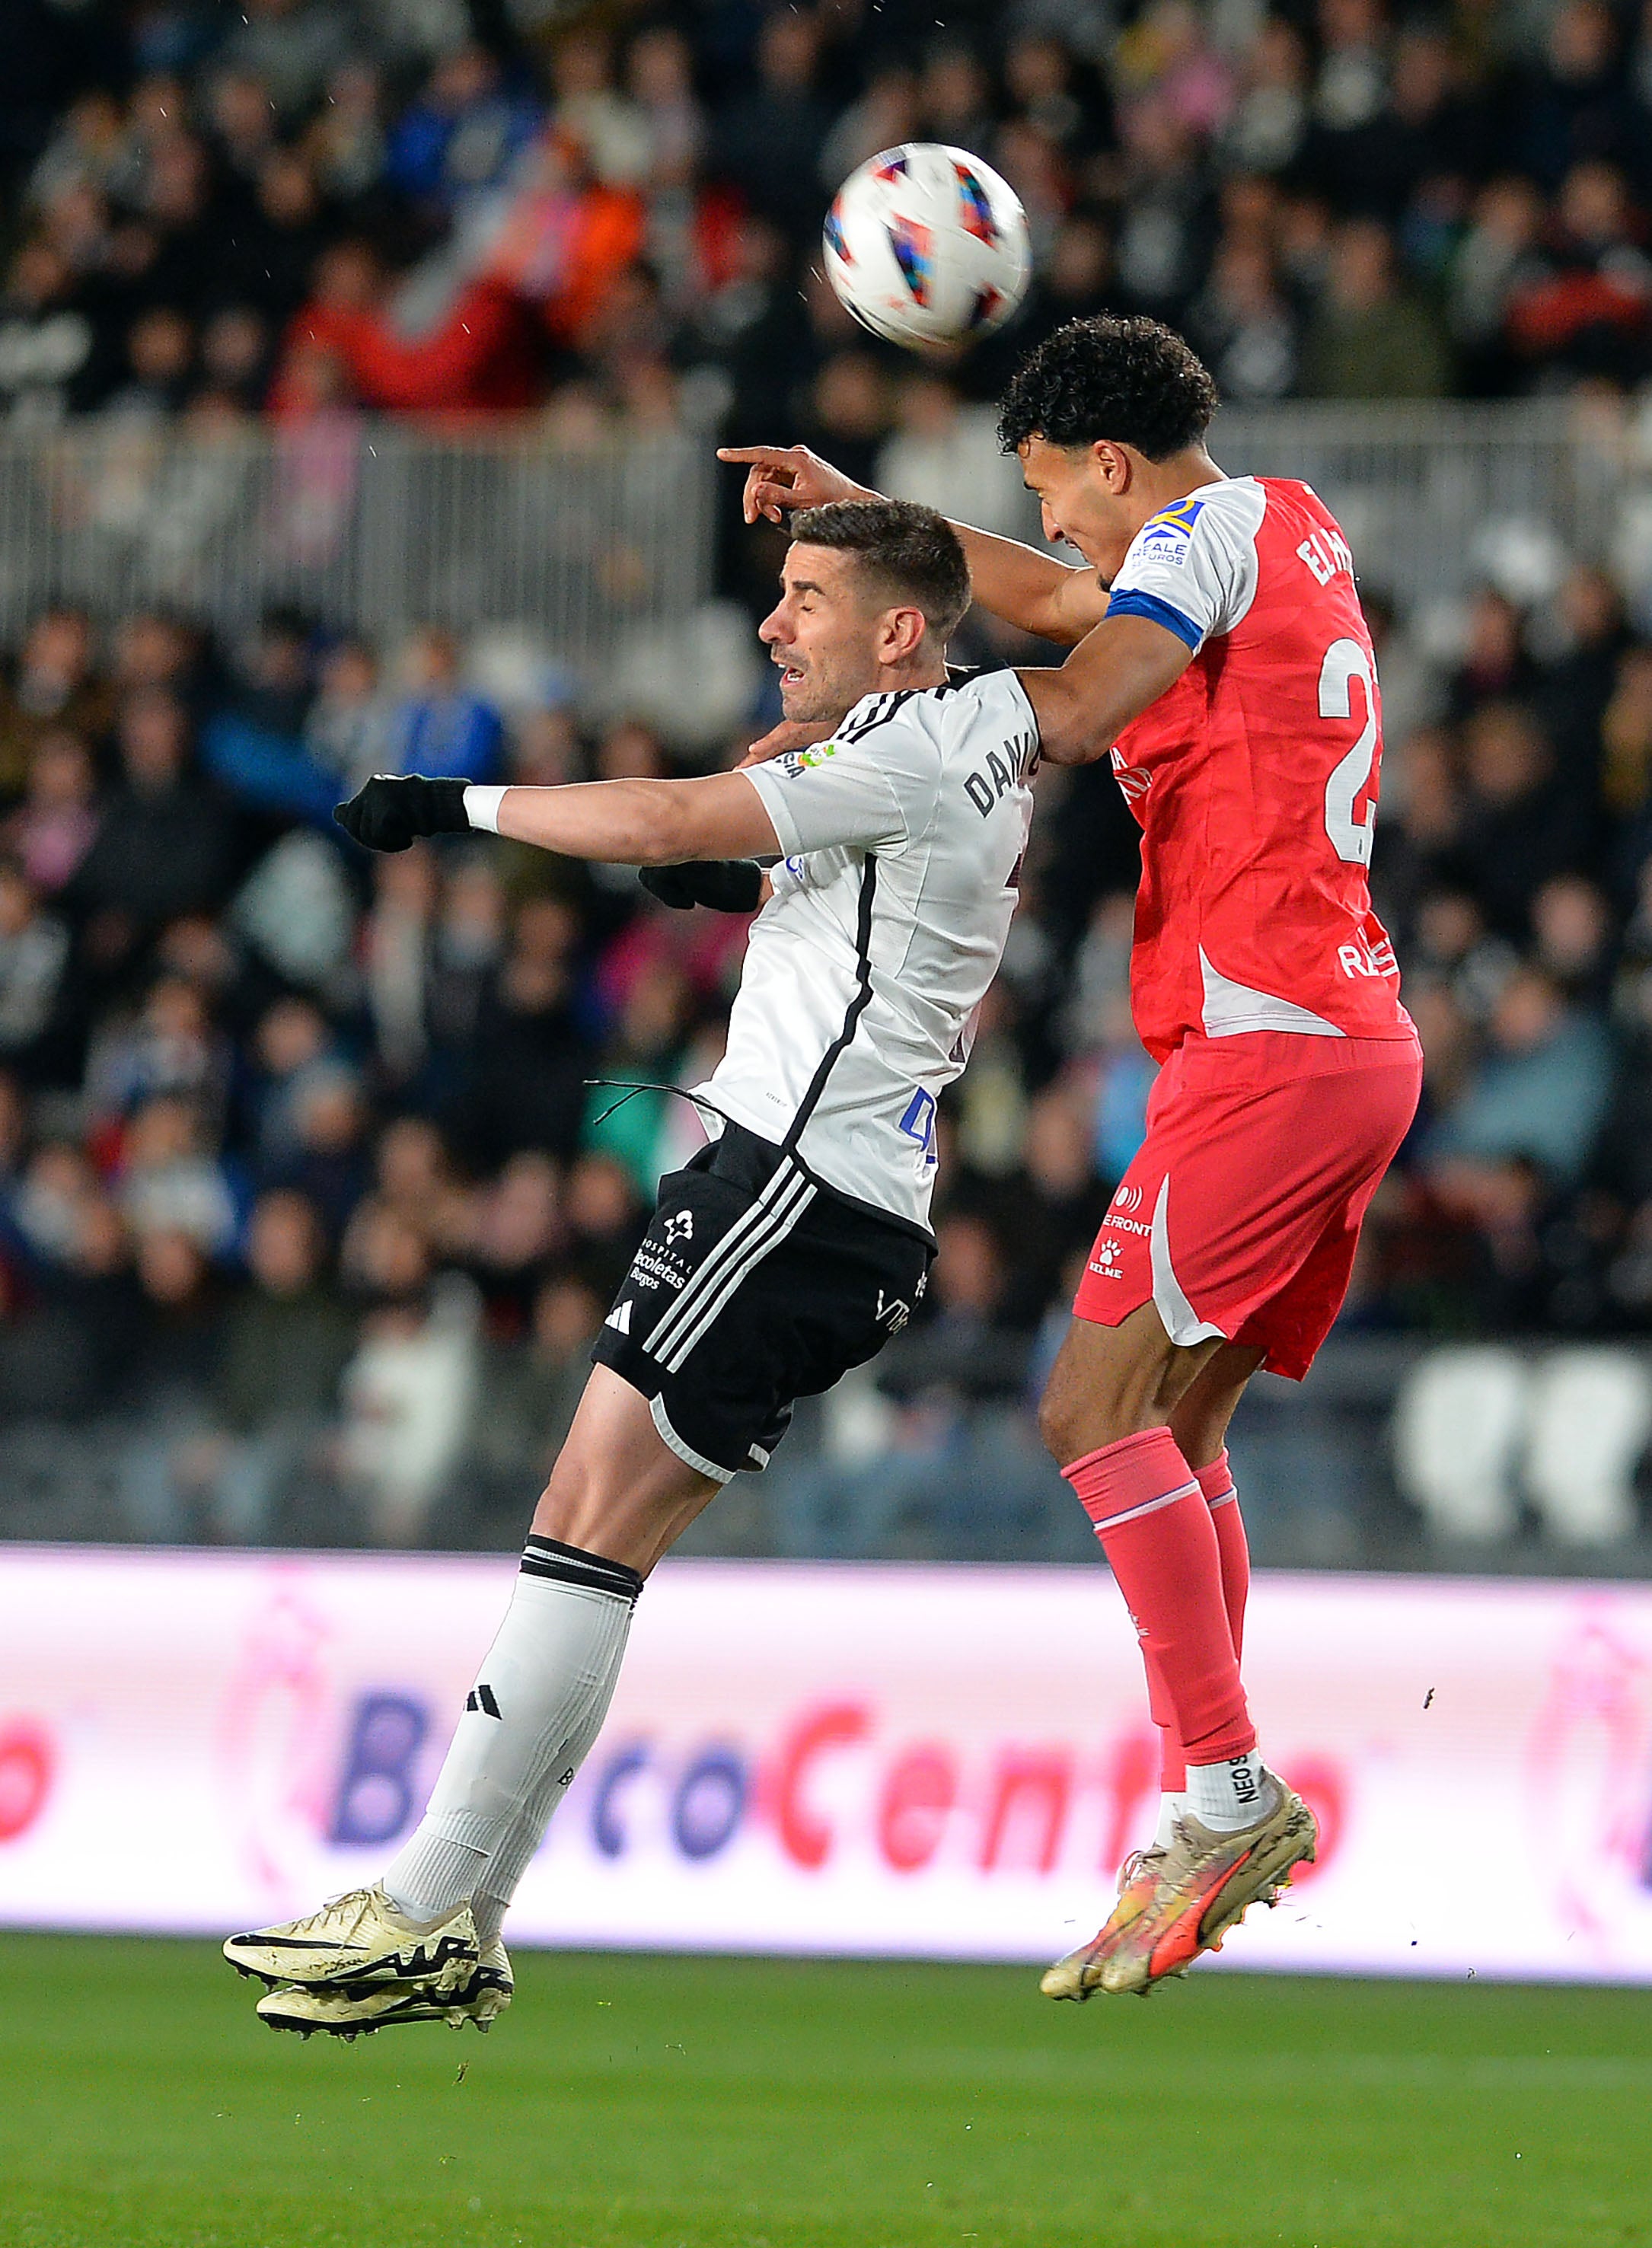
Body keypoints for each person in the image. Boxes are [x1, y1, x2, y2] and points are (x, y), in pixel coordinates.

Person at [222, 496, 1041, 2035]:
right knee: (600, 1546)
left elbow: (670, 820)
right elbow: (799, 851)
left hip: (787, 1185)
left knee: (577, 1513)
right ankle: (464, 1915)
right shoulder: (971, 732)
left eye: (805, 597)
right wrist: (750, 870)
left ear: (900, 632)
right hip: (852, 1206)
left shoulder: (897, 750)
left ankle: (420, 1903)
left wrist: (452, 805)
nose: (769, 622)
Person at [722, 311, 1423, 1999]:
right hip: (1339, 1043)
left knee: (1082, 1408)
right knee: (1173, 1425)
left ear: (1113, 467)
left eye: (1058, 500)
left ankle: (1223, 1788)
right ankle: (1211, 1784)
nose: (1057, 538)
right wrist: (873, 513)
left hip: (1261, 1043)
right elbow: (1062, 601)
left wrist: (882, 734)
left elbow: (1090, 680)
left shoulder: (1185, 542)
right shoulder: (1281, 525)